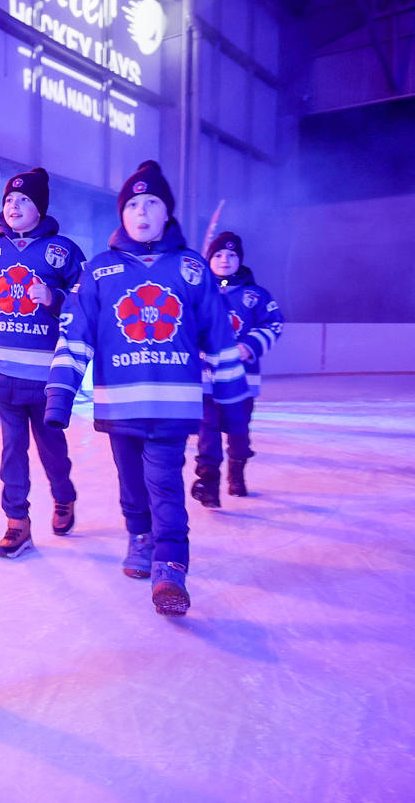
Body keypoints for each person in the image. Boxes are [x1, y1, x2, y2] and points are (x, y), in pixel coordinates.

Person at [46, 161, 248, 617]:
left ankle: (170, 564)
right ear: (122, 214)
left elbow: (219, 338)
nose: (142, 212)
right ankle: (140, 535)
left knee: (166, 484)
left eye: (152, 203)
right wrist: (59, 395)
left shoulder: (192, 268)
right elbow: (75, 335)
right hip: (119, 407)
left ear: (167, 212)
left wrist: (233, 408)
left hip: (172, 408)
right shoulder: (99, 271)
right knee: (131, 482)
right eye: (133, 204)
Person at [0, 168, 87, 558]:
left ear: (40, 207)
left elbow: (85, 300)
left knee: (51, 448)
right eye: (9, 199)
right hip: (4, 371)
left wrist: (55, 297)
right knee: (12, 450)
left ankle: (63, 496)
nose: (14, 206)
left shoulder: (63, 251)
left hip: (47, 378)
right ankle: (16, 522)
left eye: (24, 199)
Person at [192, 230, 284, 505]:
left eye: (231, 255)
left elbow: (273, 323)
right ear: (209, 259)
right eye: (218, 255)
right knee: (207, 433)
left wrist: (250, 346)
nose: (225, 260)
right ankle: (209, 481)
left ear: (240, 259)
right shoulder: (197, 293)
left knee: (239, 432)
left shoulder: (255, 295)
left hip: (242, 382)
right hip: (206, 380)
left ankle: (237, 471)